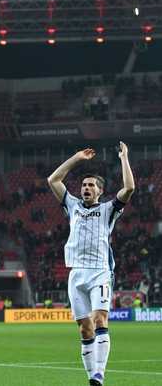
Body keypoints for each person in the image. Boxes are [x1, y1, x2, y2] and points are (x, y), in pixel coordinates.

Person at [47, 142, 135, 386]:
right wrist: (76, 158)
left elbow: (129, 187)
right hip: (76, 275)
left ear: (99, 191)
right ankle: (91, 378)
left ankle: (99, 373)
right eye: (84, 185)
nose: (86, 188)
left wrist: (124, 158)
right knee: (85, 329)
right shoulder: (72, 206)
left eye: (91, 185)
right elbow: (53, 180)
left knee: (99, 320)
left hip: (100, 273)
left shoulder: (109, 209)